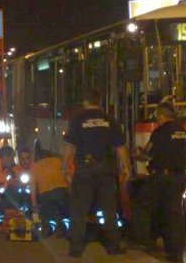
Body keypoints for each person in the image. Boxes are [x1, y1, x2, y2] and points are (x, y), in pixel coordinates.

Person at [62, 88, 130, 257]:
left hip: (85, 167)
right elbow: (121, 147)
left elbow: (69, 147)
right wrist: (126, 167)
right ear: (99, 102)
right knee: (109, 209)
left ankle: (76, 248)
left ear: (85, 102)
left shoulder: (78, 121)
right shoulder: (110, 120)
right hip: (105, 167)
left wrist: (64, 167)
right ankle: (113, 246)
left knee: (79, 209)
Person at [133, 102, 186, 263]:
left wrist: (137, 154)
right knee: (176, 215)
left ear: (161, 116)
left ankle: (151, 242)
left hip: (162, 179)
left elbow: (147, 156)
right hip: (179, 177)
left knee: (151, 208)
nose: (156, 120)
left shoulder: (159, 132)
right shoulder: (182, 131)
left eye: (157, 117)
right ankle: (176, 253)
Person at [30, 148, 69, 237]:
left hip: (46, 194)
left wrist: (34, 206)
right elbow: (68, 177)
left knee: (48, 213)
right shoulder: (59, 161)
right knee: (64, 212)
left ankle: (49, 229)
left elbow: (32, 190)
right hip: (62, 190)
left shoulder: (35, 167)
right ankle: (65, 229)